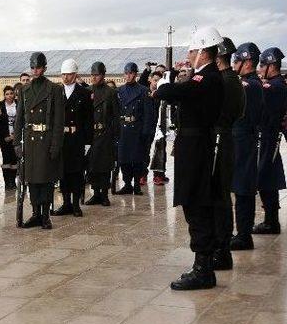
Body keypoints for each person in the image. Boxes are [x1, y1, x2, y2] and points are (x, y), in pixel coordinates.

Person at [155, 26, 225, 290]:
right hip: (193, 144)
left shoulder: (206, 79)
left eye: (193, 50)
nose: (189, 54)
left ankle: (204, 269)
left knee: (196, 204)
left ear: (204, 52)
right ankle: (202, 264)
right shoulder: (205, 77)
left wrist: (165, 81)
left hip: (197, 146)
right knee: (194, 204)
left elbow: (166, 93)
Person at [14, 52, 64, 230]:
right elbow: (19, 119)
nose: (36, 71)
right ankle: (35, 213)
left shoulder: (55, 89)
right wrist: (16, 143)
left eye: (39, 67)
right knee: (32, 179)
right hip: (30, 140)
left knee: (46, 180)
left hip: (46, 139)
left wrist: (56, 144)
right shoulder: (24, 90)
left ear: (45, 68)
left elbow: (59, 121)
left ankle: (45, 215)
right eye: (33, 67)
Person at [210, 37, 245, 271]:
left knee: (218, 197)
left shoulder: (224, 82)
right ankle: (221, 249)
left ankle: (221, 250)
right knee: (221, 196)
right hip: (226, 137)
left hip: (220, 139)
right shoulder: (234, 80)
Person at [230, 43, 264, 250]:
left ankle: (244, 234)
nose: (234, 65)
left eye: (237, 61)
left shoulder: (248, 85)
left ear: (247, 62)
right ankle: (243, 232)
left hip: (243, 139)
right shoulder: (248, 83)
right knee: (241, 186)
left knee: (243, 187)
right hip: (242, 139)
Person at [52, 59, 92, 217]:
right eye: (63, 74)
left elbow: (89, 119)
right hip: (62, 138)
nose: (66, 77)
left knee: (76, 172)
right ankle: (66, 203)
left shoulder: (84, 93)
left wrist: (88, 141)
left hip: (77, 138)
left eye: (69, 74)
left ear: (75, 75)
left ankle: (76, 204)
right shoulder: (57, 92)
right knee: (63, 172)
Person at [253, 47, 287, 235]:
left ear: (272, 66)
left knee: (265, 177)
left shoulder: (274, 86)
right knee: (269, 178)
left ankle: (271, 221)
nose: (259, 68)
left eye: (262, 64)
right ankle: (271, 220)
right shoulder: (277, 84)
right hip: (269, 136)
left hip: (268, 137)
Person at [85, 61, 120, 206]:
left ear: (103, 75)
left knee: (105, 165)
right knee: (92, 165)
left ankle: (104, 194)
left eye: (97, 75)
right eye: (92, 75)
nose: (94, 77)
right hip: (91, 133)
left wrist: (114, 134)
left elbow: (116, 115)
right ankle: (96, 193)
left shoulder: (111, 92)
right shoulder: (87, 91)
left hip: (105, 133)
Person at [115, 62, 154, 195]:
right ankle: (127, 183)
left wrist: (146, 131)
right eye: (126, 73)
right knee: (123, 159)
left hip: (137, 128)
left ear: (135, 74)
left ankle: (137, 183)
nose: (128, 76)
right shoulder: (119, 91)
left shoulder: (143, 91)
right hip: (123, 129)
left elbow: (149, 113)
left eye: (131, 73)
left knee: (137, 158)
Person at [0, 85, 18, 191]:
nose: (9, 96)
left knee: (14, 159)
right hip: (4, 138)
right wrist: (4, 137)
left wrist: (15, 135)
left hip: (16, 137)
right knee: (6, 159)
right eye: (7, 94)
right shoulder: (0, 105)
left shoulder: (18, 105)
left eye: (11, 93)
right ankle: (7, 182)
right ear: (4, 95)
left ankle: (13, 182)